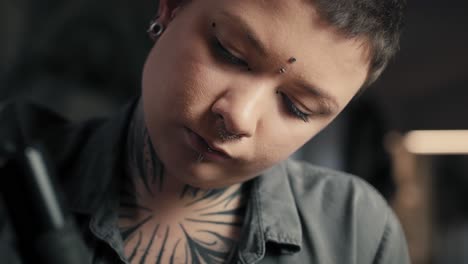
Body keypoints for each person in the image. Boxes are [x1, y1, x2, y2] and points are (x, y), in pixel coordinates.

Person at [0, 0, 409, 263]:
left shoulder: (357, 230)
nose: (239, 118)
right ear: (171, 9)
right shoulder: (12, 168)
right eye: (229, 53)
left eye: (298, 108)